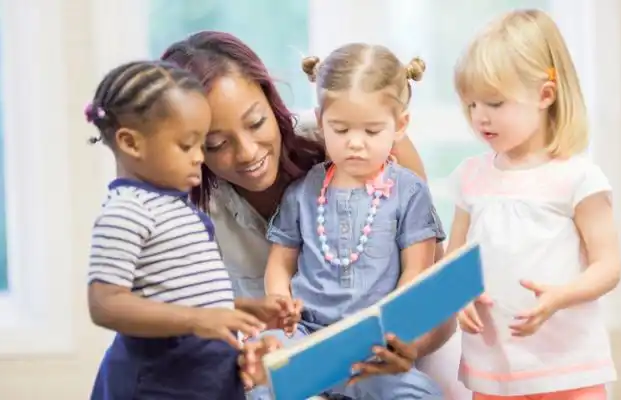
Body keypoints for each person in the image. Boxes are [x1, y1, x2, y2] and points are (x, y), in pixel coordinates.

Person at [161, 31, 457, 397]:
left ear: (273, 103)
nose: (248, 152)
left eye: (255, 123)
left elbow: (437, 292)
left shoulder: (365, 145)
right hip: (299, 345)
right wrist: (262, 343)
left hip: (386, 352)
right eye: (216, 144)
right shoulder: (194, 209)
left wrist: (405, 343)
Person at [83, 60, 294, 400]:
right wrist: (198, 319)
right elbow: (105, 304)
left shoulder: (178, 208)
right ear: (131, 143)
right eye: (187, 145)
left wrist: (242, 308)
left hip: (207, 382)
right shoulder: (127, 210)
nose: (199, 158)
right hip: (156, 387)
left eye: (202, 145)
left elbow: (181, 296)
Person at [448, 10, 621, 400]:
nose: (480, 118)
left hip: (567, 368)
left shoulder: (576, 178)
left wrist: (561, 296)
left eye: (494, 102)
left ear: (545, 95)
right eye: (471, 104)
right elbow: (452, 259)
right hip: (494, 368)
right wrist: (458, 295)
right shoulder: (470, 176)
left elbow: (608, 267)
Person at [259, 43, 447, 399]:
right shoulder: (302, 190)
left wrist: (396, 332)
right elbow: (280, 264)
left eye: (372, 131)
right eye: (341, 130)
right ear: (321, 120)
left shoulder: (409, 192)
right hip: (306, 335)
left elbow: (416, 273)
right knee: (258, 376)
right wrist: (280, 307)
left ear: (400, 124)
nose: (355, 144)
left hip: (372, 345)